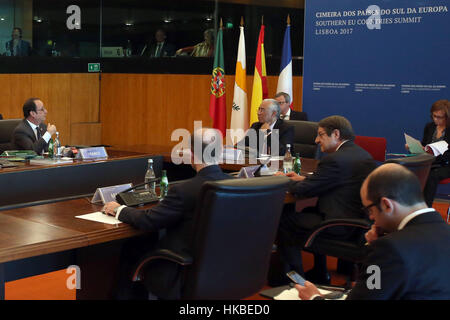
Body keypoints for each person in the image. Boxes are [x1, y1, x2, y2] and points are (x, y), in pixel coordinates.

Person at [102, 128, 231, 299]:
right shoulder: (237, 185)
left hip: (181, 269)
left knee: (133, 247)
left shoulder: (184, 190)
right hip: (225, 270)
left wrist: (119, 209)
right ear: (221, 151)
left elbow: (148, 220)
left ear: (191, 154)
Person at [296, 163, 450, 300]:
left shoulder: (390, 248)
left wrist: (314, 297)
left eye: (369, 209)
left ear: (386, 205)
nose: (370, 217)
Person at [270, 115, 377, 285]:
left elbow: (302, 191)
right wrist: (303, 179)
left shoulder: (334, 160)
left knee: (284, 220)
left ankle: (298, 281)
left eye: (320, 135)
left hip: (338, 225)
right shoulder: (362, 154)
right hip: (358, 223)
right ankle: (320, 273)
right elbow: (332, 182)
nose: (316, 140)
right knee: (305, 212)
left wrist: (281, 180)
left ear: (336, 134)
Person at [411, 99, 450, 207]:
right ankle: (411, 205)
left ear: (447, 117)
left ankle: (425, 209)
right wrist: (416, 147)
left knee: (431, 175)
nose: (435, 119)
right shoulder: (430, 126)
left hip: (445, 165)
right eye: (434, 116)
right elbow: (424, 145)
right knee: (409, 170)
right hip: (429, 162)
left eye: (439, 117)